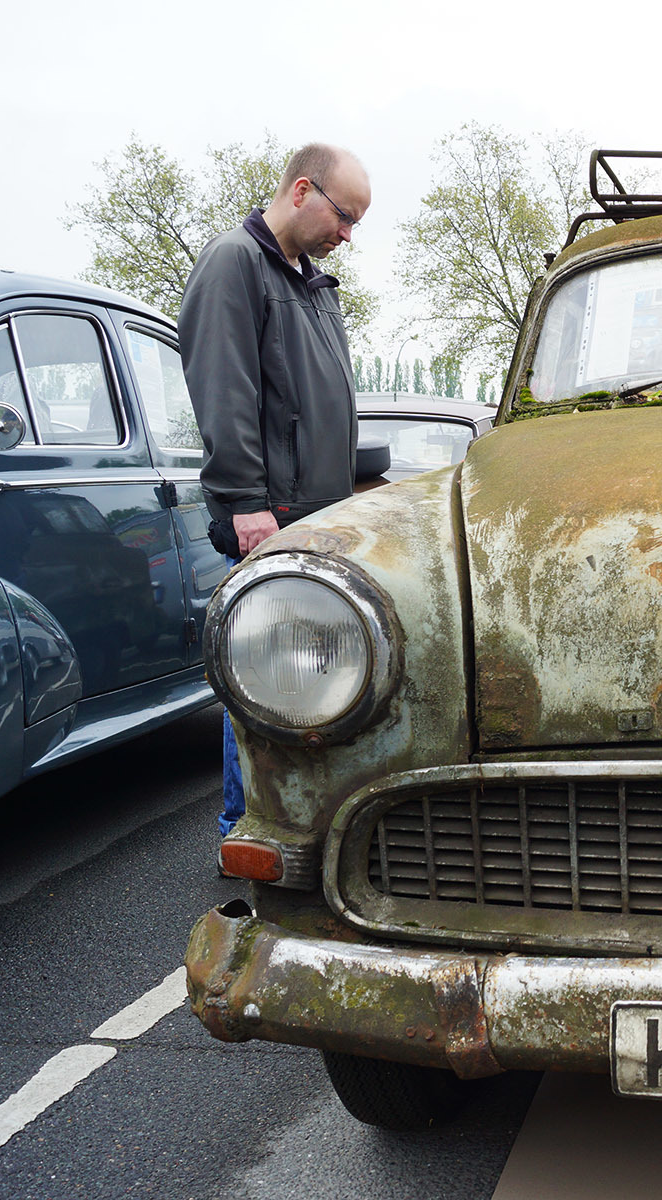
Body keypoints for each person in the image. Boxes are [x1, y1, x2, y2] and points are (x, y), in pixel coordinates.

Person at [179, 143, 370, 846]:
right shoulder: (235, 261)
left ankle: (295, 821)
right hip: (271, 514)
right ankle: (246, 830)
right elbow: (223, 387)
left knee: (306, 679)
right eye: (344, 216)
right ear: (301, 190)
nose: (347, 234)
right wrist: (243, 500)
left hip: (318, 515)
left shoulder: (309, 281)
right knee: (264, 681)